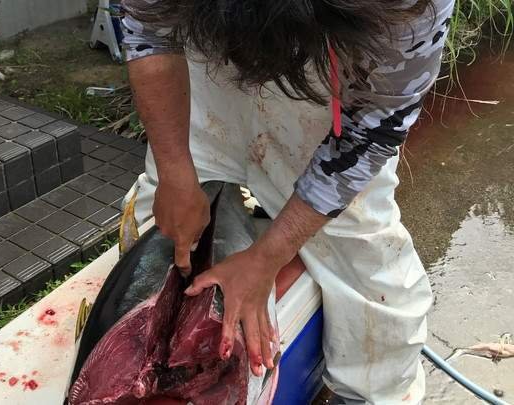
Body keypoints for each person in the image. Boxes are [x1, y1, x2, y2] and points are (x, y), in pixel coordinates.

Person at [120, 0, 454, 403]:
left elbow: (372, 130)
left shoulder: (409, 7)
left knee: (370, 279)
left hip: (333, 68)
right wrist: (175, 170)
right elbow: (148, 30)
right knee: (155, 234)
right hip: (203, 56)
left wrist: (265, 260)